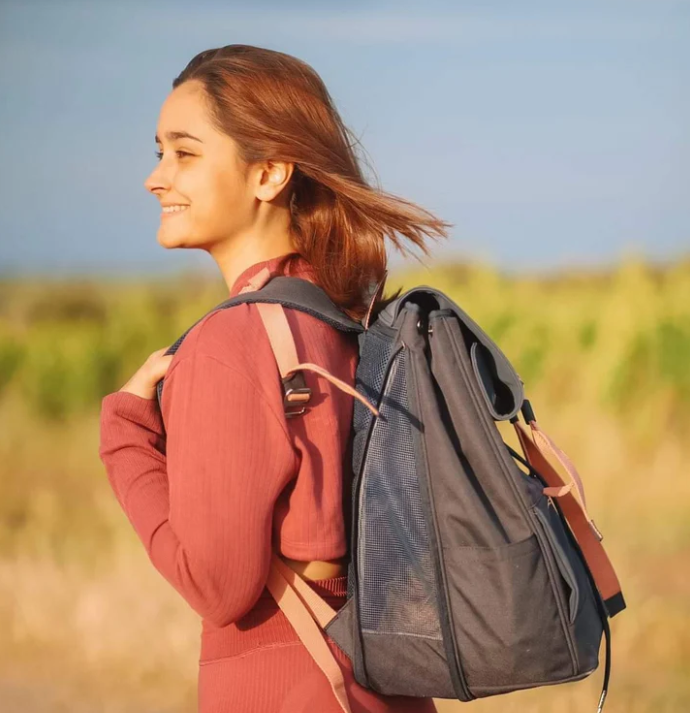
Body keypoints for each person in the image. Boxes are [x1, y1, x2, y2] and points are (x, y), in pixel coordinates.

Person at [98, 44, 450, 713]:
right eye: (158, 151)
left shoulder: (229, 343)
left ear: (269, 173)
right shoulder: (353, 317)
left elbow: (218, 584)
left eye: (185, 152)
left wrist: (124, 440)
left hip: (286, 688)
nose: (155, 177)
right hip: (389, 686)